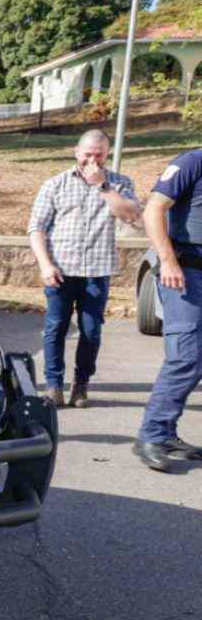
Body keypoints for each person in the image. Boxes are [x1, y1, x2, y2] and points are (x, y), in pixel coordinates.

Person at [27, 129, 142, 408]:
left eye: (99, 154)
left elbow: (131, 215)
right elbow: (36, 227)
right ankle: (54, 385)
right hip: (59, 271)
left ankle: (81, 385)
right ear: (76, 152)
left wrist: (103, 187)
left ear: (107, 154)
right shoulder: (55, 184)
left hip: (96, 272)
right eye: (88, 154)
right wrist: (45, 264)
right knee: (56, 328)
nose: (93, 160)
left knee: (91, 331)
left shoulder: (120, 183)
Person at [134, 147, 202, 472]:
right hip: (185, 271)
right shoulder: (192, 161)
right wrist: (168, 259)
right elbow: (154, 209)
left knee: (196, 359)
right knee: (185, 355)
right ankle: (151, 435)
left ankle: (166, 433)